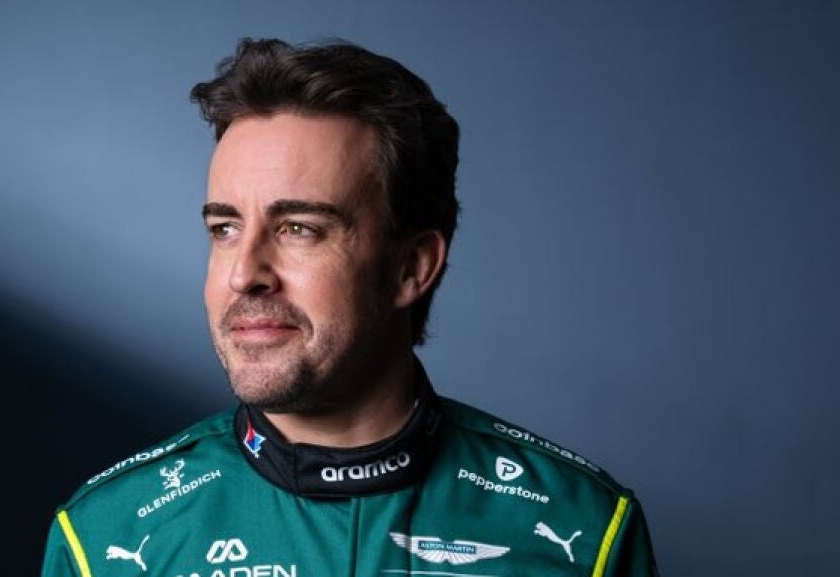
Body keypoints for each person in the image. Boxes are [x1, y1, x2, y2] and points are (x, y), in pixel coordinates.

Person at [40, 37, 659, 577]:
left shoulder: (585, 531)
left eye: (299, 229)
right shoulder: (104, 538)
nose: (243, 274)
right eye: (225, 229)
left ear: (412, 267)